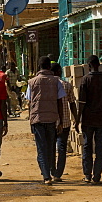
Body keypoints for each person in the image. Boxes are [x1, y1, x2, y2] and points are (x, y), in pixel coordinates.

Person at [26, 56, 65, 185]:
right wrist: (61, 120)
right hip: (52, 118)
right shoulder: (56, 81)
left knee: (41, 148)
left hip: (37, 119)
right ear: (49, 67)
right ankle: (49, 171)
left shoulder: (31, 82)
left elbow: (29, 102)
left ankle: (46, 176)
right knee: (51, 147)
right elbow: (60, 102)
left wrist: (31, 118)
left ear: (39, 67)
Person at [76, 54, 102, 184]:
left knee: (87, 147)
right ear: (98, 65)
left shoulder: (85, 80)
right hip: (101, 118)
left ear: (89, 66)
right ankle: (97, 176)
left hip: (88, 119)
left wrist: (78, 119)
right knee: (100, 148)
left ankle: (87, 175)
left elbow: (81, 103)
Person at [50, 63, 78, 182]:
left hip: (50, 121)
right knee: (62, 148)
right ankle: (58, 174)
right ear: (59, 72)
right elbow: (72, 103)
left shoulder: (48, 86)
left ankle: (51, 170)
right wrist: (76, 119)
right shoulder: (66, 85)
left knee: (51, 147)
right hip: (65, 122)